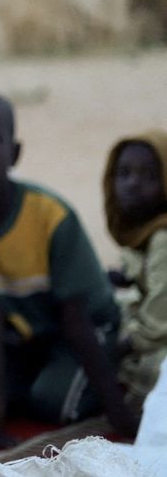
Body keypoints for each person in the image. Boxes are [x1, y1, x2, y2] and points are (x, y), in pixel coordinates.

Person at [0, 89, 139, 436]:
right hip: (21, 335)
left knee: (52, 403)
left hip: (82, 328)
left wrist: (121, 417)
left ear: (14, 153)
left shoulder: (49, 215)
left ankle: (113, 357)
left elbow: (76, 318)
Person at [104, 130, 167, 407]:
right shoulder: (142, 234)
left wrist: (118, 349)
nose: (133, 184)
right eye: (124, 173)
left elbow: (158, 322)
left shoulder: (163, 238)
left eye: (149, 176)